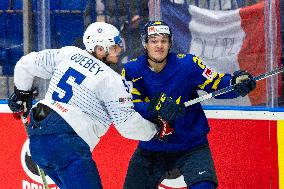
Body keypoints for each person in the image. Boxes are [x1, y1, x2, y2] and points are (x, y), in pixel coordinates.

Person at [7, 22, 183, 189]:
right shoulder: (111, 80)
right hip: (68, 144)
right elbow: (126, 125)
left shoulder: (68, 53)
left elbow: (25, 64)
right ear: (99, 49)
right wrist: (156, 130)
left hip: (37, 139)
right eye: (114, 47)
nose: (119, 50)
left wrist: (22, 93)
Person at [122, 21, 256, 189]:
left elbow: (218, 84)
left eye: (164, 40)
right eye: (154, 40)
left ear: (170, 43)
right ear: (145, 43)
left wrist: (237, 84)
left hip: (191, 146)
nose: (159, 45)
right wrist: (153, 108)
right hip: (151, 148)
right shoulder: (132, 70)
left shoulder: (188, 64)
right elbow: (129, 106)